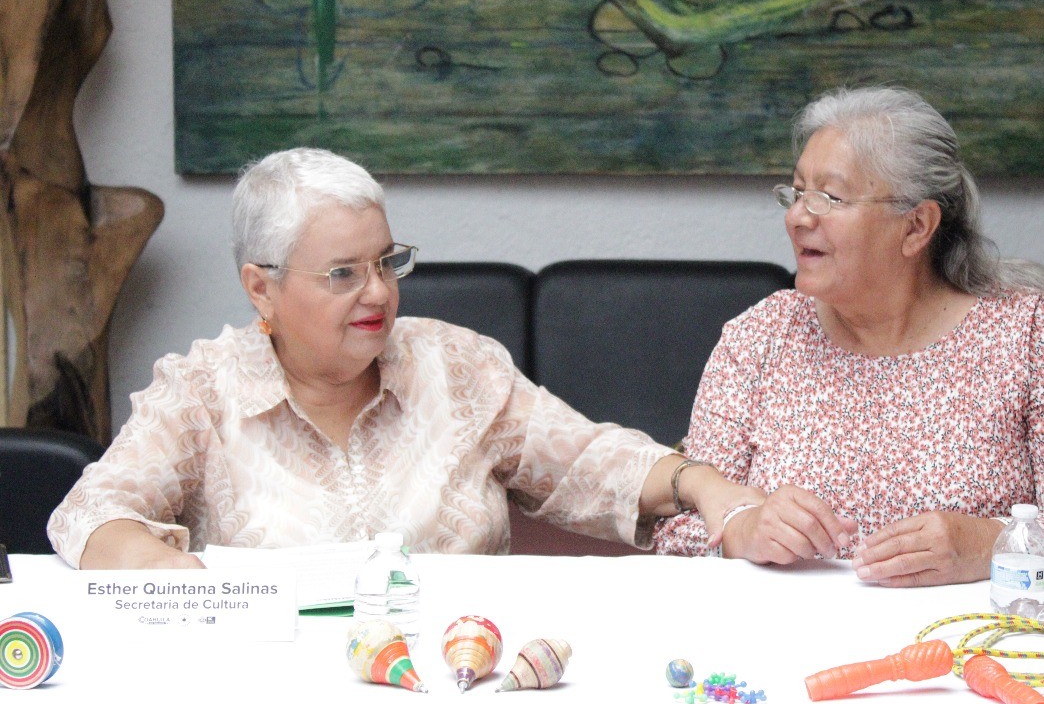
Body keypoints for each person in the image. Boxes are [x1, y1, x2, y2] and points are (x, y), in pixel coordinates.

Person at [48, 148, 760, 569]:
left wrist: (700, 483)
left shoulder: (456, 366)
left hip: (462, 682)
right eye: (343, 273)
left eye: (386, 262)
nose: (379, 293)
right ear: (261, 288)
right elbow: (91, 513)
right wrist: (166, 572)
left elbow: (590, 461)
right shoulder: (202, 391)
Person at [653, 86, 1044, 602]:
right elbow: (674, 528)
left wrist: (990, 543)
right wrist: (741, 530)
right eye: (797, 192)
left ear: (916, 226)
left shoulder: (1033, 335)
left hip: (970, 641)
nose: (798, 216)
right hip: (789, 636)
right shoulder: (760, 337)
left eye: (829, 198)